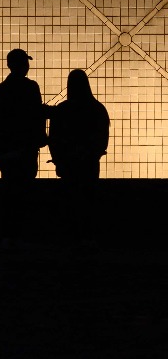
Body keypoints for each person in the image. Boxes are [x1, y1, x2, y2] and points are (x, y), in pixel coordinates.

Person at [0, 48, 48, 244]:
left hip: (6, 152)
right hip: (27, 150)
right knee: (25, 192)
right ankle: (22, 233)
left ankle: (8, 234)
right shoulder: (31, 88)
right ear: (22, 65)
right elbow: (37, 115)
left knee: (9, 192)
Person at [48, 69, 109, 245]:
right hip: (89, 162)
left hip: (68, 162)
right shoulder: (97, 108)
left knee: (70, 199)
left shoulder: (62, 110)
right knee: (89, 199)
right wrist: (90, 153)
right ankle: (88, 236)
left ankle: (72, 236)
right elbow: (102, 138)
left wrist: (59, 159)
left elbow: (54, 138)